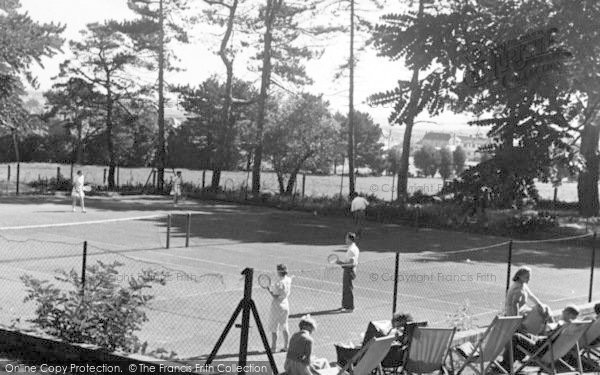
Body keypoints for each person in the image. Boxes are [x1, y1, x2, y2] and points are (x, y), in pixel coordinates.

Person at [512, 305, 580, 363]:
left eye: (564, 311)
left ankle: (507, 364)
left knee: (516, 337)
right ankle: (517, 358)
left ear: (569, 314)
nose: (562, 312)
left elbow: (549, 337)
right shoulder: (573, 328)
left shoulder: (563, 326)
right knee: (525, 335)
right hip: (549, 348)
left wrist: (546, 328)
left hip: (542, 350)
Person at [269, 264, 292, 353]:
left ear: (279, 271)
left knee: (274, 326)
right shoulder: (288, 280)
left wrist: (269, 290)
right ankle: (286, 346)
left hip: (277, 305)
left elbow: (275, 295)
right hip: (285, 304)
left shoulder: (278, 283)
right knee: (284, 325)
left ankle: (273, 347)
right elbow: (289, 279)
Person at [336, 232, 359, 312]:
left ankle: (349, 307)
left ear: (350, 239)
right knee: (346, 288)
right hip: (348, 269)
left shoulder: (352, 249)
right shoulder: (353, 248)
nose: (345, 239)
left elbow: (351, 262)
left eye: (346, 238)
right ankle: (345, 305)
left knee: (348, 288)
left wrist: (340, 263)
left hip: (349, 270)